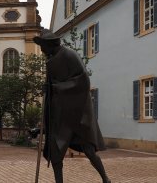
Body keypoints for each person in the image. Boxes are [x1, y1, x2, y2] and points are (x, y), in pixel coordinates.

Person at [33, 29, 111, 183]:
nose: (41, 49)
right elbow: (52, 83)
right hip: (60, 115)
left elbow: (83, 81)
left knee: (89, 150)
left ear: (50, 44)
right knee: (56, 154)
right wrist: (47, 88)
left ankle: (105, 179)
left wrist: (57, 88)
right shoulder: (50, 59)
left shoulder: (69, 55)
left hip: (78, 113)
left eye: (42, 45)